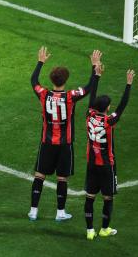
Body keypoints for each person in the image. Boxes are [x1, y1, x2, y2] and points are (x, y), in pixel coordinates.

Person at [28, 47, 100, 221]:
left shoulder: (44, 94)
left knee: (40, 175)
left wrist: (40, 62)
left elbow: (34, 81)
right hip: (64, 143)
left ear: (52, 79)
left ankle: (33, 210)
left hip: (46, 142)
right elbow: (89, 88)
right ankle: (60, 212)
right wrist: (94, 68)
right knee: (62, 178)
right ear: (66, 79)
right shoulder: (70, 96)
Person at [84, 66, 133, 240]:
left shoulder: (89, 115)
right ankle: (104, 228)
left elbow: (92, 97)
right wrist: (128, 84)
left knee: (89, 197)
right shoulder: (109, 121)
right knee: (107, 198)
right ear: (107, 108)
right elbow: (122, 106)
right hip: (107, 165)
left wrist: (96, 75)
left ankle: (90, 230)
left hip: (91, 163)